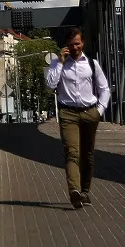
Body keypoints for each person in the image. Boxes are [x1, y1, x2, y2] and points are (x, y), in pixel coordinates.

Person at [44, 25, 110, 208]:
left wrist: (99, 110)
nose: (75, 47)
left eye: (78, 44)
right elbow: (50, 85)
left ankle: (85, 191)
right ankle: (74, 190)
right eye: (71, 44)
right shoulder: (57, 64)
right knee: (72, 152)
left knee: (87, 154)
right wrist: (60, 62)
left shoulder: (91, 64)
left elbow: (104, 89)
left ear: (83, 43)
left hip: (90, 112)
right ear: (66, 45)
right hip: (68, 113)